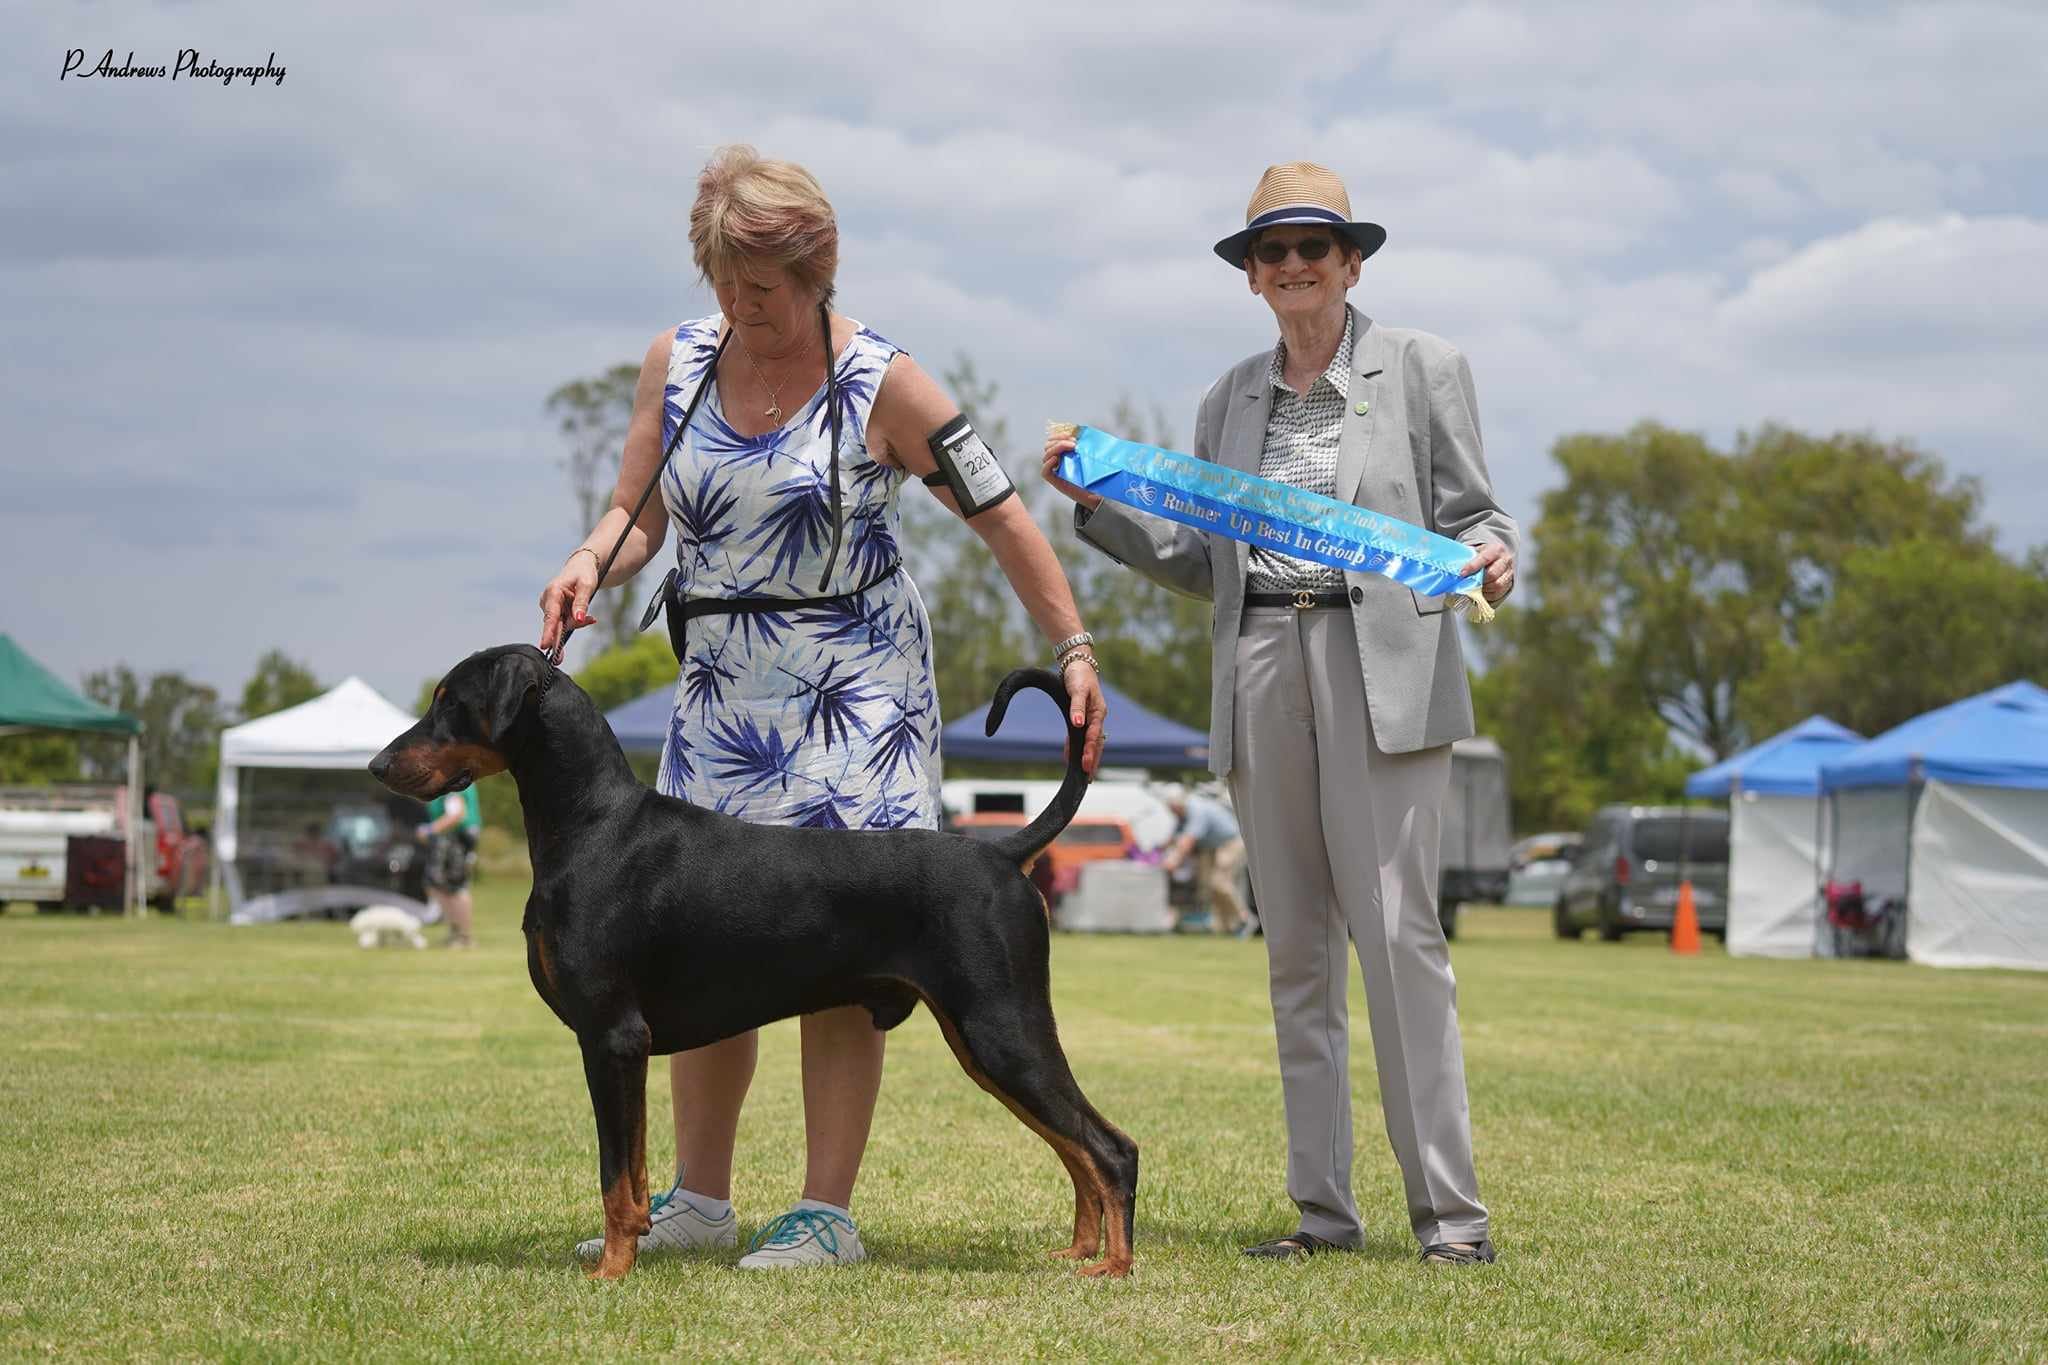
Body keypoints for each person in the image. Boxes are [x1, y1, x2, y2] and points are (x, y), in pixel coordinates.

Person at [537, 146, 1107, 1271]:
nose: (739, 309)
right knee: (695, 936)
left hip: (858, 692)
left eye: (761, 288)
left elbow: (1000, 515)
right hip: (720, 691)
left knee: (845, 944)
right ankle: (697, 1198)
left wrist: (1073, 644)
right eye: (722, 284)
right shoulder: (676, 362)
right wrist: (592, 558)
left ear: (816, 271)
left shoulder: (887, 383)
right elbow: (640, 509)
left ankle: (823, 1213)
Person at [1042, 162, 1516, 1267]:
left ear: (1351, 263)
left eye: (1313, 246)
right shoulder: (1227, 399)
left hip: (1380, 666)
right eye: (1272, 251)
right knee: (1295, 952)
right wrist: (1099, 508)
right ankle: (1323, 1213)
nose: (1293, 264)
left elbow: (1478, 514)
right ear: (1250, 276)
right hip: (1257, 658)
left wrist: (1494, 557)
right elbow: (1200, 558)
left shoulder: (1424, 367)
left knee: (1399, 942)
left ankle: (1451, 1221)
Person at [1159, 788, 1248, 935]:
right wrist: (1156, 852)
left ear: (1178, 804)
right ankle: (1225, 926)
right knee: (1209, 887)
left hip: (1230, 843)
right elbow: (1172, 838)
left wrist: (1173, 861)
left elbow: (1188, 840)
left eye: (1172, 808)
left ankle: (1243, 918)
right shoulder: (1181, 815)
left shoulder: (1196, 810)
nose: (1171, 812)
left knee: (1219, 882)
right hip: (1212, 848)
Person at [414, 788, 479, 949]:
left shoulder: (452, 783)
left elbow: (456, 814)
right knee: (439, 885)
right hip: (454, 838)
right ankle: (456, 933)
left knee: (456, 886)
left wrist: (429, 830)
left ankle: (463, 936)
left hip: (456, 838)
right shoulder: (454, 782)